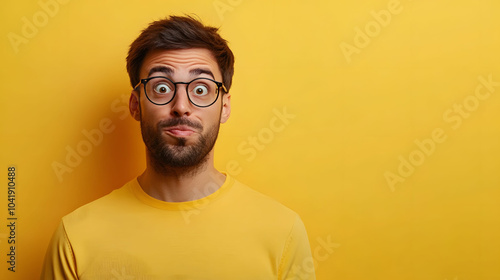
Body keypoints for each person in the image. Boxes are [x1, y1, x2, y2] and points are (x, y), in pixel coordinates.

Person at [41, 15, 315, 279]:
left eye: (200, 89)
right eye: (161, 88)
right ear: (136, 105)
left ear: (225, 107)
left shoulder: (283, 231)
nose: (181, 107)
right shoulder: (75, 238)